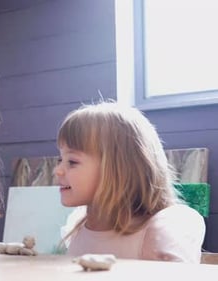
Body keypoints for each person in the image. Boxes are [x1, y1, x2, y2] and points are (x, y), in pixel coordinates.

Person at [54, 101, 205, 263]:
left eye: (72, 162)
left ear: (118, 168)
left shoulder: (161, 231)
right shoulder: (78, 228)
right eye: (60, 159)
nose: (57, 170)